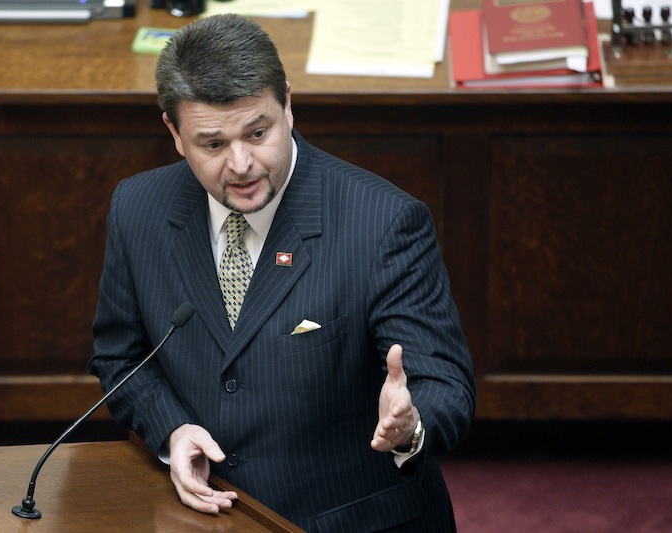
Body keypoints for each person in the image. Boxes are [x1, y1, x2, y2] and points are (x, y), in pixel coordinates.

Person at [88, 13, 475, 533]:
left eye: (258, 132)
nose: (242, 164)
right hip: (204, 519)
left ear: (288, 104)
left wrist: (411, 427)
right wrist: (172, 430)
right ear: (174, 133)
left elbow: (442, 382)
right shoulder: (138, 208)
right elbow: (122, 356)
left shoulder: (383, 222)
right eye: (213, 144)